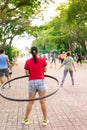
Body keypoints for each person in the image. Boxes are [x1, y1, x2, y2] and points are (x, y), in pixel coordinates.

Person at [22, 46, 49, 126]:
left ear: (30, 52)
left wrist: (32, 72)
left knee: (30, 102)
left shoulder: (27, 61)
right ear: (37, 52)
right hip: (41, 81)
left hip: (32, 82)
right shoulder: (42, 60)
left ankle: (26, 119)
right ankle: (45, 120)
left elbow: (26, 73)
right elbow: (45, 70)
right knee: (43, 102)